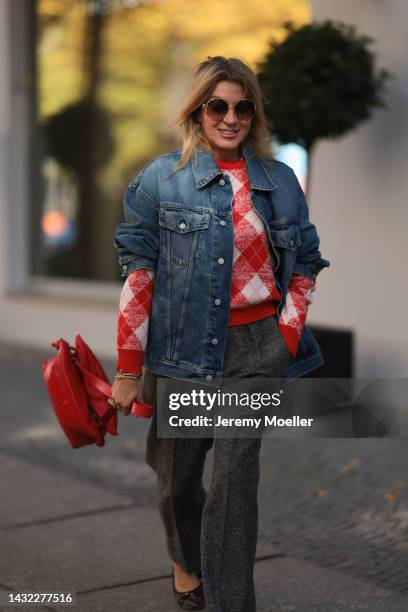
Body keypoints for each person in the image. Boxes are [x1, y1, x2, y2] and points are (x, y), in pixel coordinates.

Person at [110, 56, 330, 612]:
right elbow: (140, 275)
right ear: (198, 110)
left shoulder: (279, 180)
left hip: (255, 349)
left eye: (242, 106)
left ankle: (232, 602)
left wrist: (285, 334)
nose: (230, 117)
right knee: (175, 480)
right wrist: (129, 367)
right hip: (181, 353)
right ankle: (187, 565)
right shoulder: (161, 179)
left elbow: (304, 262)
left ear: (253, 113)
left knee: (234, 486)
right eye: (218, 106)